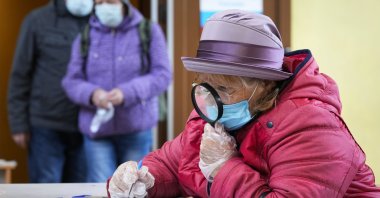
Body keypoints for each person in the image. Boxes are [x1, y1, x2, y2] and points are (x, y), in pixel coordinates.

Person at [107, 10, 380, 197]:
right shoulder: (218, 111)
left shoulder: (312, 126)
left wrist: (225, 169)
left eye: (224, 88)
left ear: (264, 85)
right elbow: (172, 163)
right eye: (207, 85)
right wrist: (145, 180)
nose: (211, 99)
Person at [62, 0, 172, 183]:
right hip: (97, 131)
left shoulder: (148, 30)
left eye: (110, 1)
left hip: (136, 129)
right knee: (100, 185)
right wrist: (92, 94)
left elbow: (162, 75)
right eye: (100, 2)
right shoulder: (85, 35)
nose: (105, 6)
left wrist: (127, 93)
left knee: (136, 187)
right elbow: (71, 81)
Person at [7, 0, 93, 183]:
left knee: (81, 190)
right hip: (46, 125)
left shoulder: (99, 20)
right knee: (46, 184)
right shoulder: (37, 20)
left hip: (87, 124)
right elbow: (21, 74)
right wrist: (18, 123)